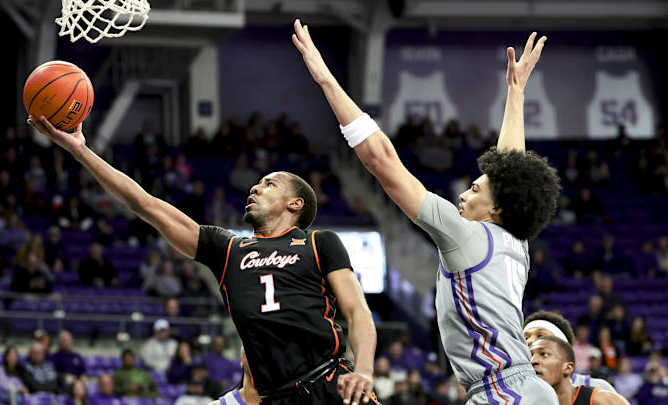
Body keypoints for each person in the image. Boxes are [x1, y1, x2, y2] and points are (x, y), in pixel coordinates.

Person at [28, 99, 378, 404]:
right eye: (257, 183)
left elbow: (357, 311)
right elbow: (144, 204)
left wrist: (363, 371)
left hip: (331, 384)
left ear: (295, 203)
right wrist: (78, 150)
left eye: (269, 184)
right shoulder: (228, 249)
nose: (255, 187)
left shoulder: (319, 242)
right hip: (272, 398)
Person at [293, 19, 559, 404]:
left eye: (473, 189)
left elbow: (382, 161)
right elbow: (510, 166)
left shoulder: (465, 235)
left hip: (502, 392)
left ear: (497, 207)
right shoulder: (516, 239)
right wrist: (515, 93)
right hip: (529, 391)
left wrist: (326, 82)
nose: (463, 196)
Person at [523, 310, 616, 392]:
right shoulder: (515, 391)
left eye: (541, 336)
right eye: (525, 337)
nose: (529, 341)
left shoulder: (598, 389)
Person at [529, 336, 629, 405]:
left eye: (544, 354)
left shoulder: (598, 399)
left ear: (568, 368)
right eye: (531, 355)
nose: (533, 361)